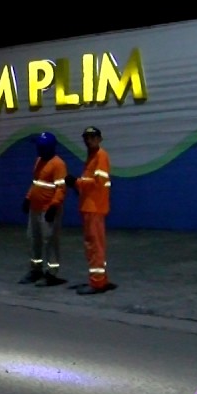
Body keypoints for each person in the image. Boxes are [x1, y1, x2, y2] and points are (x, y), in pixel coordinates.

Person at [66, 126, 115, 295]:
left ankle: (97, 282)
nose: (89, 140)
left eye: (92, 137)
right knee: (95, 244)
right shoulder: (93, 157)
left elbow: (97, 183)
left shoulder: (100, 156)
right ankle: (101, 279)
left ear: (99, 139)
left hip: (94, 207)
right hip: (91, 206)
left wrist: (76, 183)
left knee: (94, 245)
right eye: (86, 137)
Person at [20, 131, 67, 287]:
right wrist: (28, 198)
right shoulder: (39, 160)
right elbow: (36, 182)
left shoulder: (58, 164)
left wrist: (54, 206)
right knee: (33, 238)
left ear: (49, 147)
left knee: (50, 241)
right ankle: (36, 270)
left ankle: (51, 273)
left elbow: (61, 188)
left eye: (40, 146)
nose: (38, 149)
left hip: (48, 210)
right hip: (35, 208)